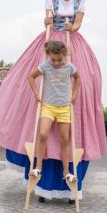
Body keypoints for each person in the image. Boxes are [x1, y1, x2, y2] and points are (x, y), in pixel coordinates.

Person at [0, 0, 106, 201]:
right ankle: (40, 179)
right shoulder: (50, 0)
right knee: (28, 93)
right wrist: (49, 21)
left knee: (83, 84)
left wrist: (71, 25)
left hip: (72, 46)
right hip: (50, 43)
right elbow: (48, 17)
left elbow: (77, 25)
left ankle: (70, 182)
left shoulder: (80, 2)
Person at [28, 40, 81, 184]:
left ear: (65, 56)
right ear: (48, 56)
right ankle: (38, 167)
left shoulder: (70, 67)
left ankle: (66, 172)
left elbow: (78, 78)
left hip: (64, 107)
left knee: (64, 139)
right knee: (43, 134)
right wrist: (36, 93)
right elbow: (31, 77)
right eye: (53, 60)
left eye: (59, 60)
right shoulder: (45, 66)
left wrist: (74, 94)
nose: (56, 63)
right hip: (48, 106)